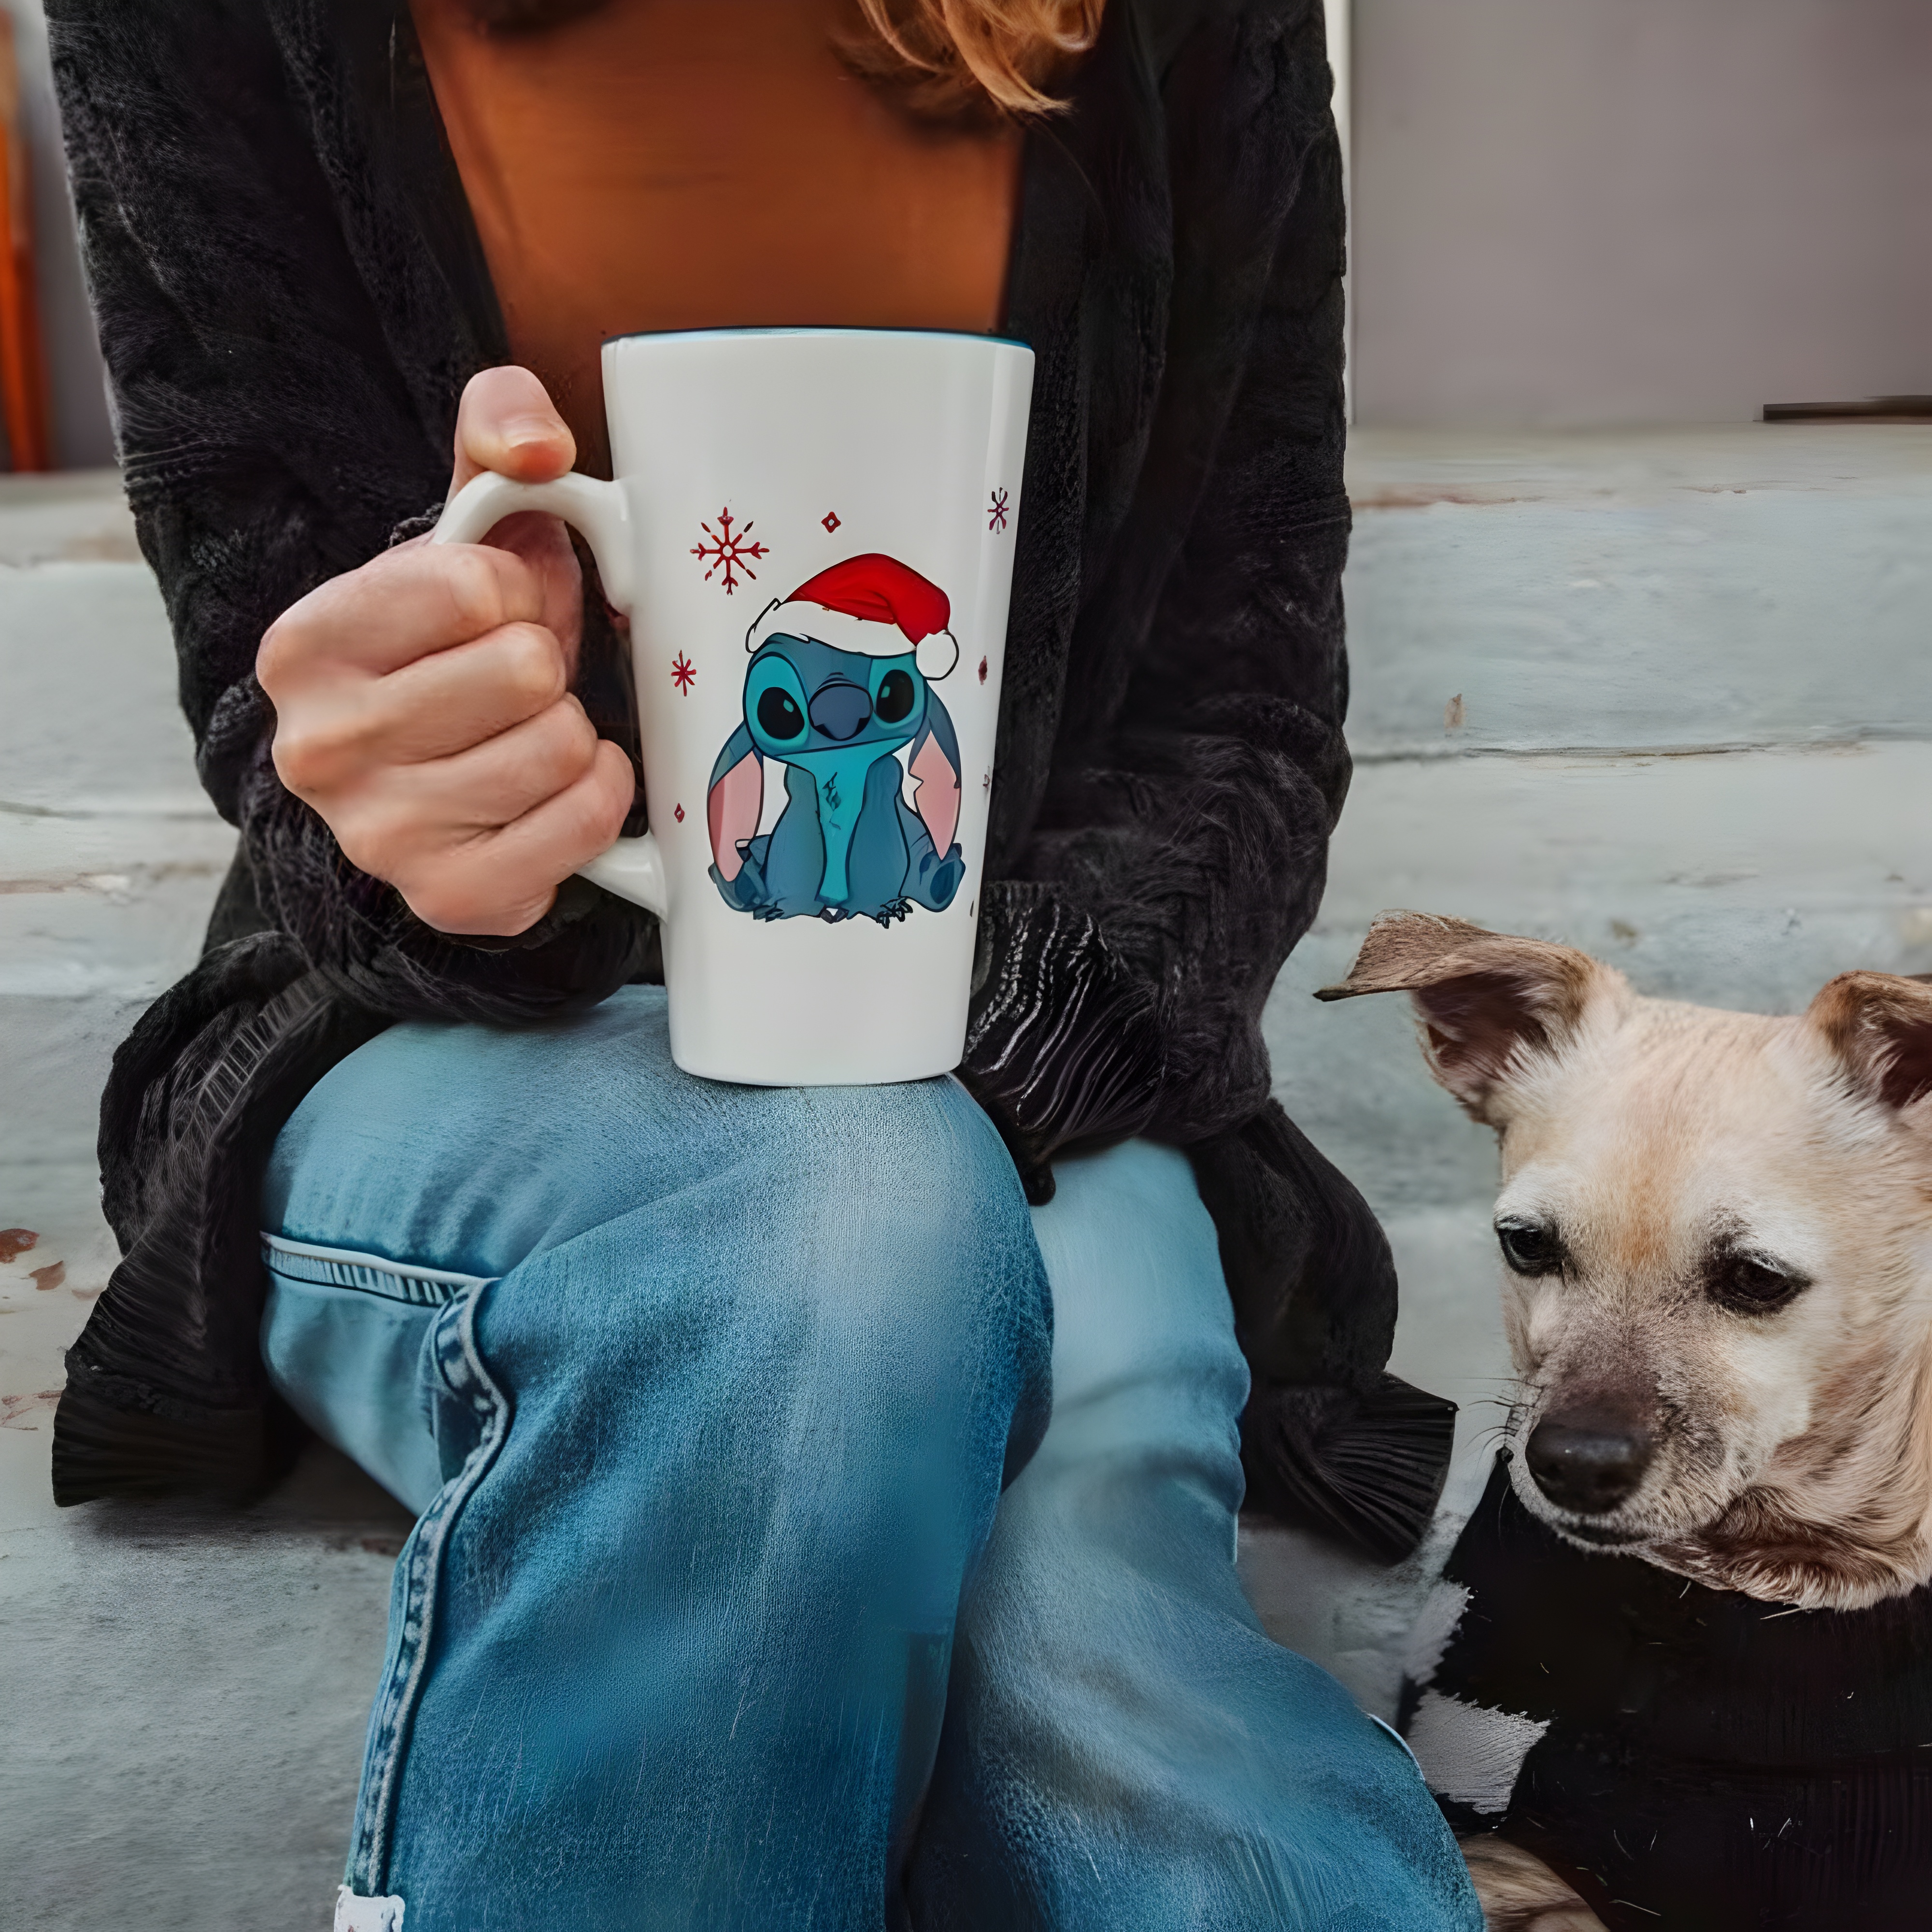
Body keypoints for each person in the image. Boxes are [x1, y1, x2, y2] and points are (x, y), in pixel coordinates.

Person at [47, 1, 1479, 1925]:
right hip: (436, 1032)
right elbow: (273, 638)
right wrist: (416, 792)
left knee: (1087, 1599)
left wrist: (974, 1016)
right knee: (839, 1226)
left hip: (1031, 1039)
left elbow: (1239, 686)